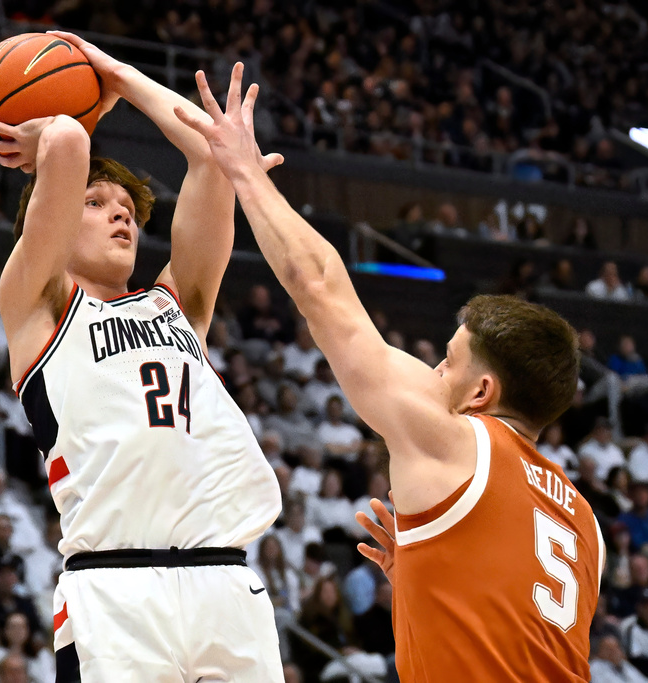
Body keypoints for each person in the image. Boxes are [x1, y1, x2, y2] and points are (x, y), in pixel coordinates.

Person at [179, 65, 603, 681]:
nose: (432, 371)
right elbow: (528, 638)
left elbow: (319, 287)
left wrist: (243, 169)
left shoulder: (454, 437)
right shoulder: (586, 522)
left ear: (483, 392)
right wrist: (434, 574)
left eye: (447, 361)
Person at [0, 37, 283, 681]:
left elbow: (209, 154)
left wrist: (118, 74)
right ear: (52, 223)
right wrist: (77, 96)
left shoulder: (178, 305)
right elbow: (64, 140)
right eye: (96, 205)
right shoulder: (35, 306)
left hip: (223, 580)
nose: (121, 219)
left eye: (127, 213)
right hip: (114, 591)